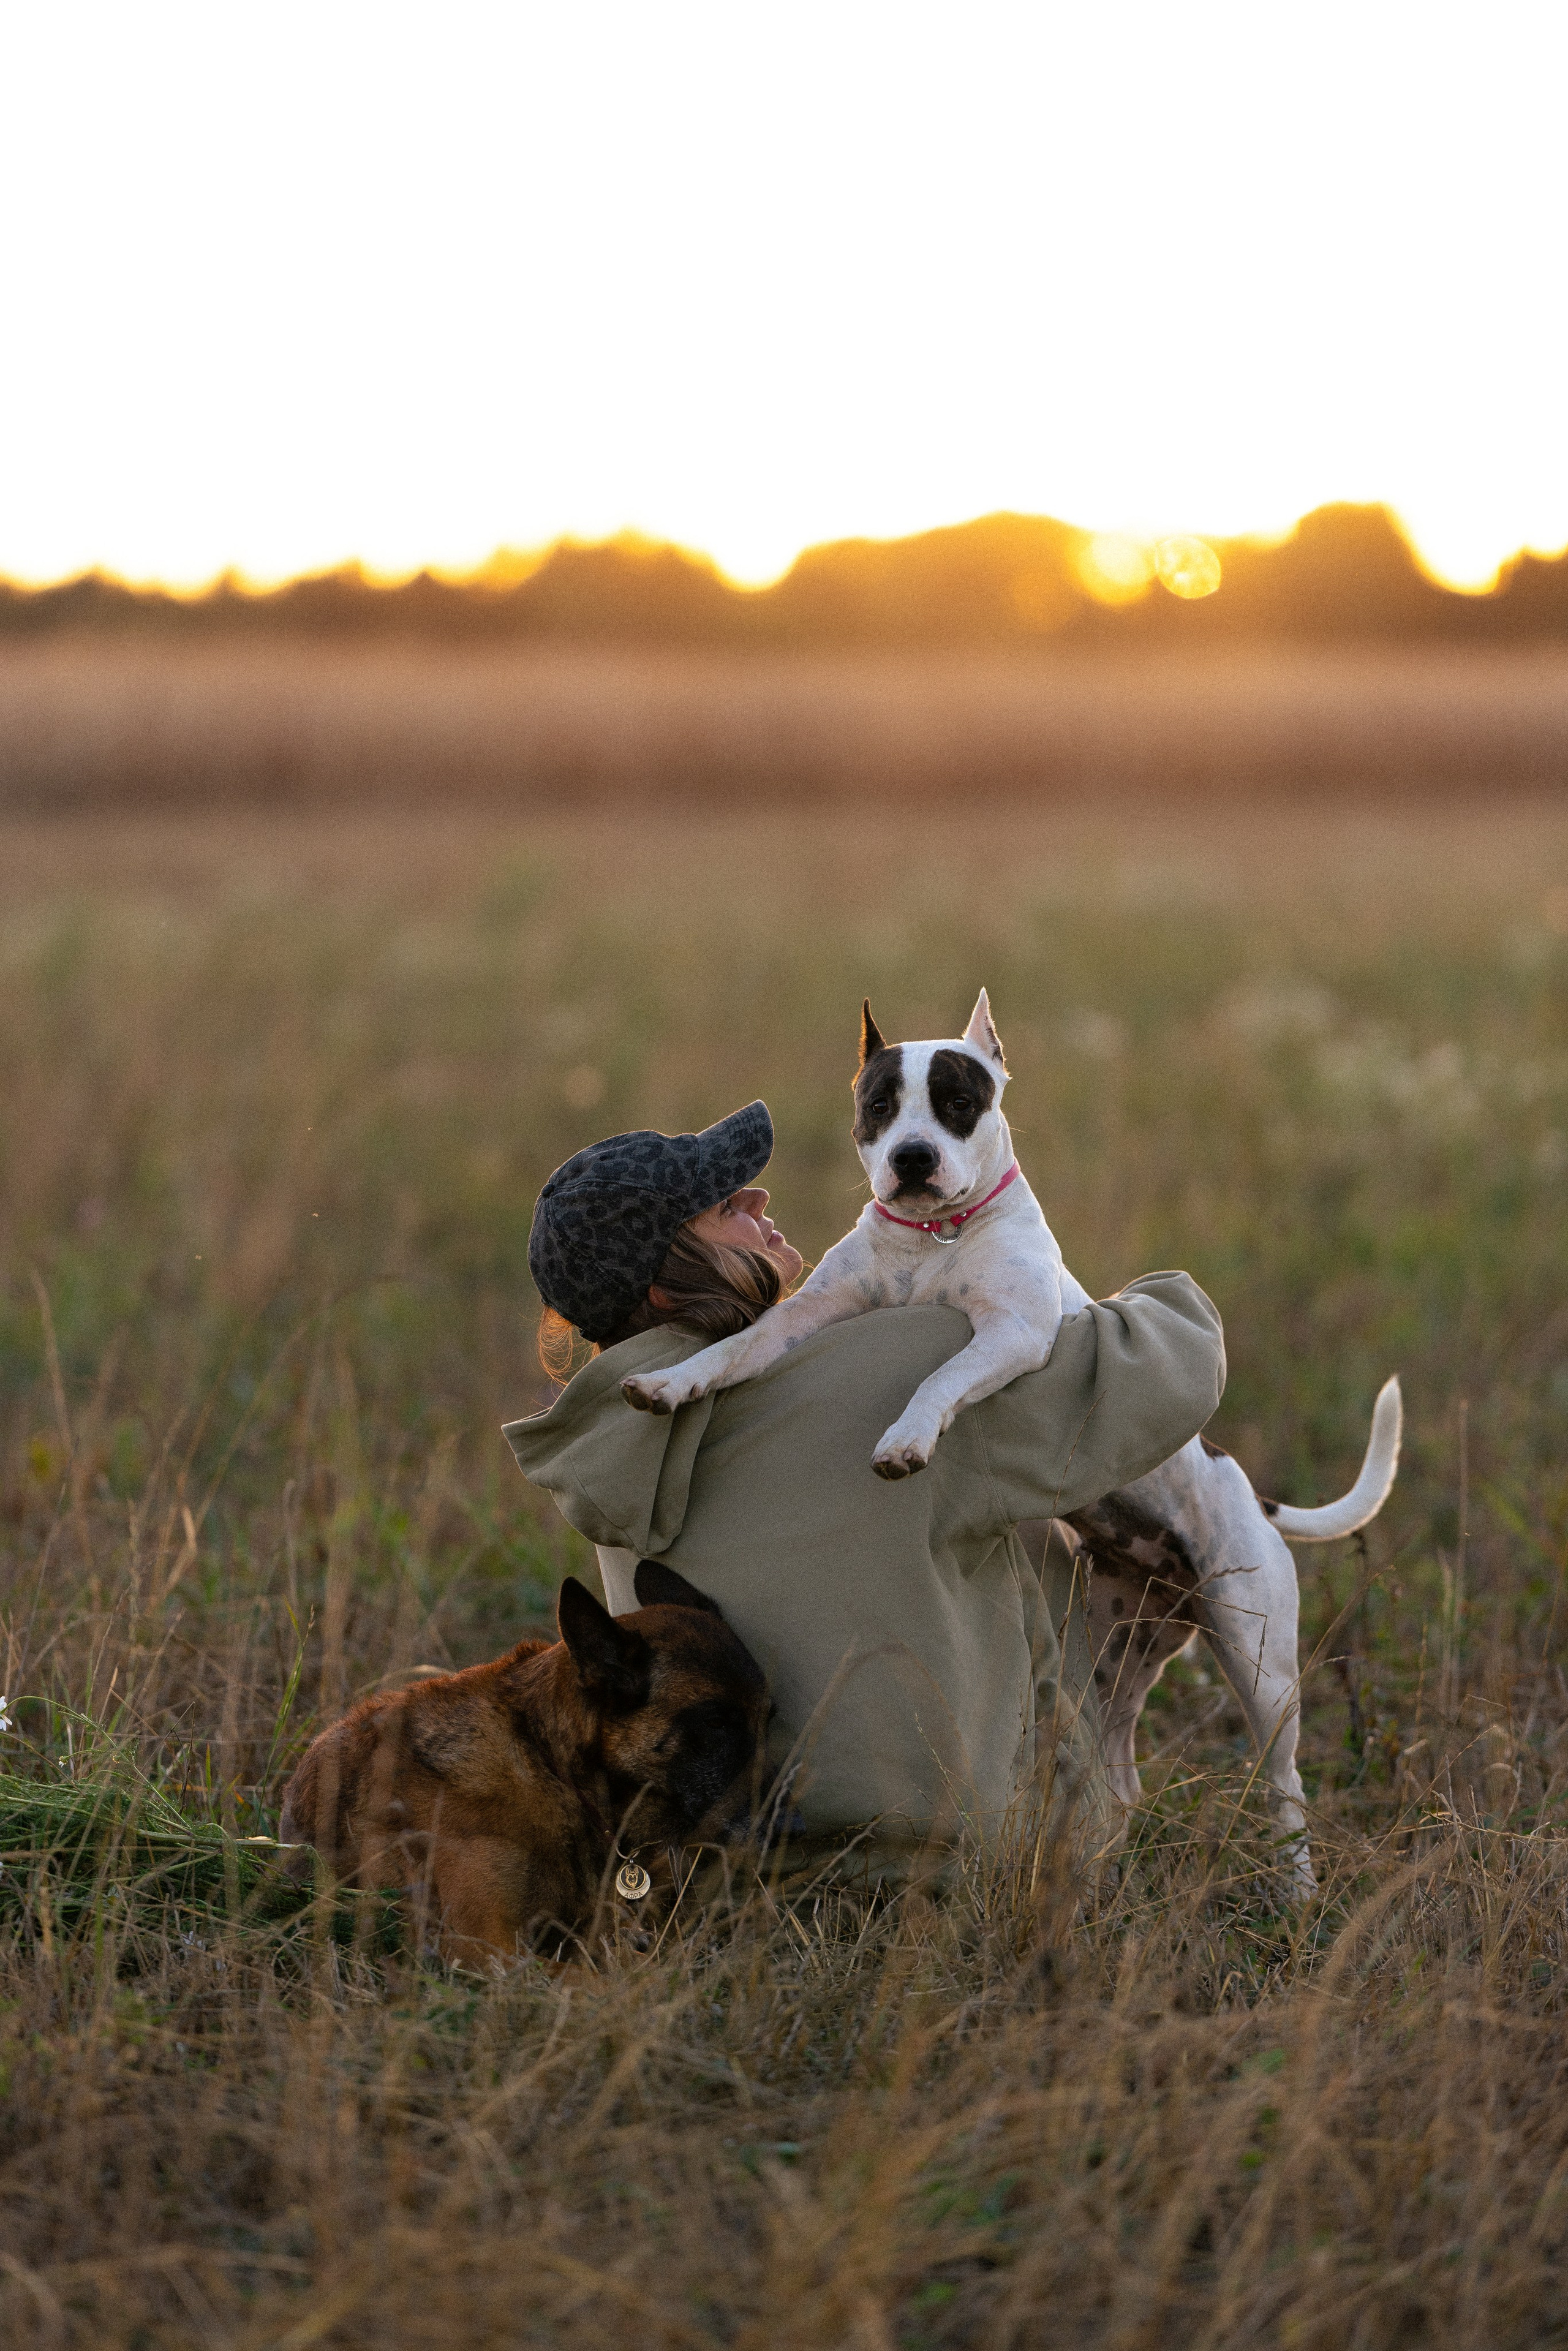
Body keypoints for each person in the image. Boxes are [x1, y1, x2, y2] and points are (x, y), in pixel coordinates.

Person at [505, 1100, 1225, 1875]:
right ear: (665, 1287)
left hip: (734, 1876)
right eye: (725, 1207)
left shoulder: (602, 1449)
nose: (761, 1200)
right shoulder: (898, 1362)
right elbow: (1168, 1370)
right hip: (958, 1863)